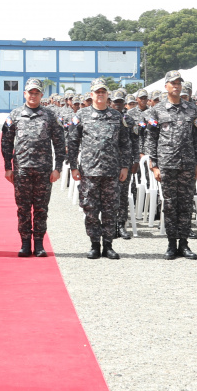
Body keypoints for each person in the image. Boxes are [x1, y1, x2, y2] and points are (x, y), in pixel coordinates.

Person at [144, 70, 197, 259]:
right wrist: (154, 165)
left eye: (179, 83)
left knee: (186, 204)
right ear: (166, 86)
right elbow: (151, 139)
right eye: (173, 83)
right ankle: (172, 244)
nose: (176, 86)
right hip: (167, 163)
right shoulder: (157, 110)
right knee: (170, 205)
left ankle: (184, 244)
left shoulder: (191, 109)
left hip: (188, 164)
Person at [67, 79, 131, 260]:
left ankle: (108, 245)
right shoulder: (81, 115)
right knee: (91, 209)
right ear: (91, 94)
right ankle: (95, 244)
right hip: (89, 170)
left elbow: (125, 144)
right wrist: (73, 166)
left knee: (111, 210)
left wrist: (125, 166)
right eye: (97, 91)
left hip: (111, 171)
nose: (100, 94)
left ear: (107, 94)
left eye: (103, 91)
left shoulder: (117, 116)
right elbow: (72, 142)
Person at [1, 78, 65, 257]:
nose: (33, 95)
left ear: (41, 95)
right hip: (21, 170)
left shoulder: (50, 115)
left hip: (44, 171)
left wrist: (58, 168)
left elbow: (60, 143)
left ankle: (38, 243)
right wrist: (7, 167)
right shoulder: (15, 115)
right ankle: (24, 243)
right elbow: (6, 142)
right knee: (22, 208)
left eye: (36, 92)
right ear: (25, 94)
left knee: (41, 208)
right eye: (30, 92)